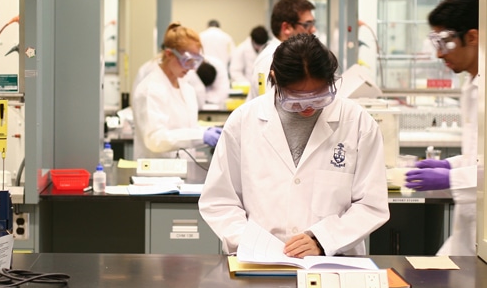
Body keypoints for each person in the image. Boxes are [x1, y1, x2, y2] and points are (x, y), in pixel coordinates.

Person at [199, 33, 389, 256]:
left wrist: (322, 241)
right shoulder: (243, 121)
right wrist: (251, 242)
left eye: (319, 96)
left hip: (333, 261)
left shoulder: (357, 123)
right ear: (275, 78)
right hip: (258, 260)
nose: (308, 107)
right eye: (297, 98)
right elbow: (220, 200)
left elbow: (371, 205)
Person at [405, 0, 478, 256]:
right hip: (469, 236)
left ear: (472, 37)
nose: (438, 53)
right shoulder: (472, 84)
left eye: (445, 42)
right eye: (435, 41)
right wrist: (451, 164)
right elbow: (478, 159)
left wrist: (450, 176)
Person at [133, 22, 222, 159]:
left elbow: (184, 130)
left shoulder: (186, 87)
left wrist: (203, 131)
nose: (192, 68)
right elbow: (155, 139)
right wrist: (200, 136)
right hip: (156, 174)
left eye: (196, 61)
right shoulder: (151, 89)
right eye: (188, 61)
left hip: (182, 169)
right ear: (169, 54)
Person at [246, 0, 317, 101]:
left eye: (313, 24)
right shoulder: (271, 58)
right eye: (307, 24)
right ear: (286, 28)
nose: (313, 29)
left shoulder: (292, 54)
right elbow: (272, 106)